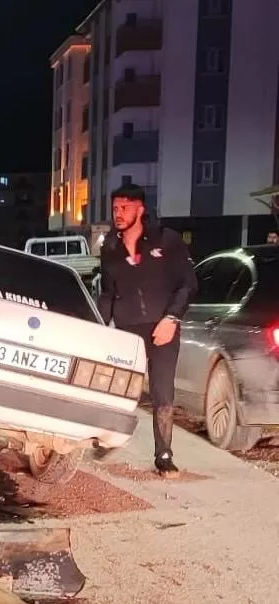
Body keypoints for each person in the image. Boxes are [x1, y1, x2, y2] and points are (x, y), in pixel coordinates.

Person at [97, 183, 198, 477]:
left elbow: (188, 285)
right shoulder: (110, 248)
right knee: (118, 388)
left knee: (162, 394)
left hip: (162, 328)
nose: (118, 213)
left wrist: (171, 318)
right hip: (128, 329)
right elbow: (107, 293)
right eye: (115, 208)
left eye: (124, 208)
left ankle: (163, 455)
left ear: (140, 209)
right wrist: (100, 326)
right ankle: (106, 439)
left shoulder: (167, 241)